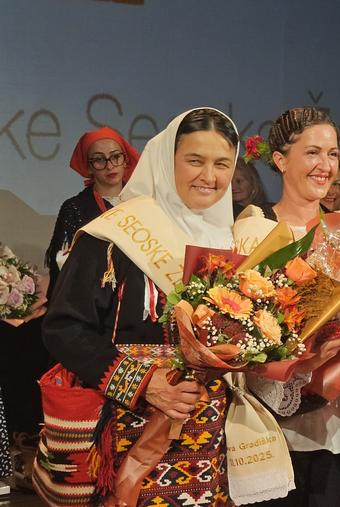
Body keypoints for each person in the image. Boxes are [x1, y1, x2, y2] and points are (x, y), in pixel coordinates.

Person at [41, 108, 240, 506]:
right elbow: (64, 328)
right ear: (167, 160)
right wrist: (145, 383)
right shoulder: (114, 235)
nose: (209, 176)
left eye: (222, 164)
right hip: (123, 431)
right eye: (195, 160)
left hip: (208, 444)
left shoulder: (230, 239)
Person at [246, 107, 340, 507]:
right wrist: (306, 360)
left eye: (332, 154)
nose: (326, 166)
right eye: (312, 152)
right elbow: (242, 336)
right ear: (281, 160)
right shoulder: (255, 230)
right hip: (282, 434)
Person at [45, 127, 139, 294]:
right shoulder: (75, 208)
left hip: (136, 297)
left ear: (125, 160)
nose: (109, 165)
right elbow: (60, 267)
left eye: (115, 156)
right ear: (88, 167)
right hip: (88, 299)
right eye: (99, 159)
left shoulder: (142, 204)